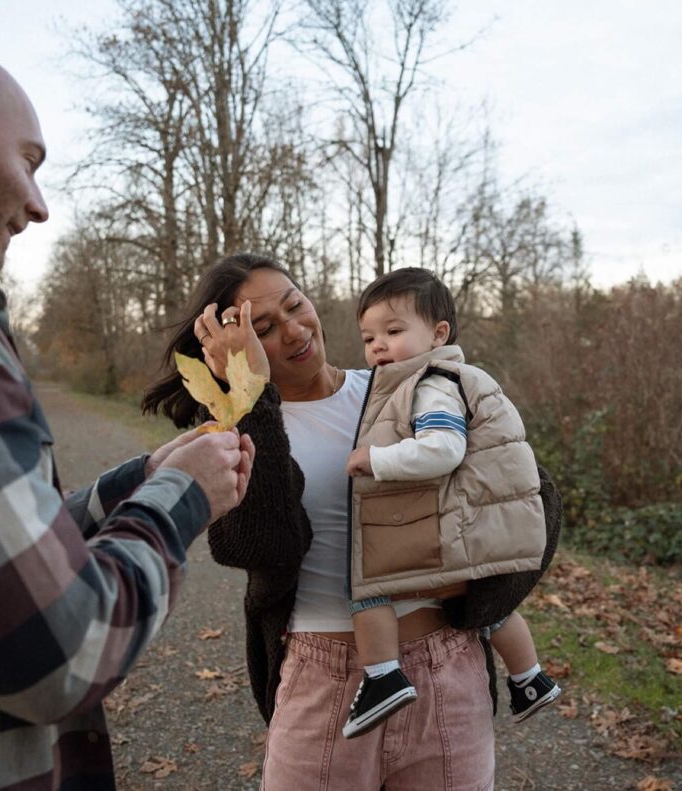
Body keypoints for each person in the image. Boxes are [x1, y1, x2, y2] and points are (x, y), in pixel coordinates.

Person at [0, 25, 253, 790]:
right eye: (28, 162)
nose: (37, 206)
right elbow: (63, 648)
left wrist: (140, 477)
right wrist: (186, 494)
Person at [143, 253, 561, 789]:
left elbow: (530, 496)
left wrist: (482, 600)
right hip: (323, 683)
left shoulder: (404, 385)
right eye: (264, 328)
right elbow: (256, 543)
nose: (295, 330)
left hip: (445, 674)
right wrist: (251, 397)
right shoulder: (235, 427)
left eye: (296, 305)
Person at [341, 267, 561, 739]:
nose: (378, 345)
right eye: (368, 336)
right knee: (482, 606)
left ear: (438, 333)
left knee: (367, 585)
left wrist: (376, 459)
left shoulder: (432, 383)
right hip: (469, 523)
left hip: (450, 524)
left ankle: (383, 678)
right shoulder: (434, 378)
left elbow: (444, 449)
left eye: (393, 331)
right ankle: (530, 679)